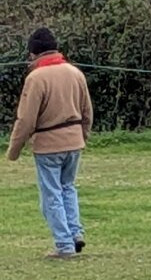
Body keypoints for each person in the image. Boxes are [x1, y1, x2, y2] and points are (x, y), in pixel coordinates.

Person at [6, 27, 92, 260]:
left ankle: (63, 244)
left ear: (33, 53)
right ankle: (75, 234)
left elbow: (26, 120)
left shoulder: (35, 78)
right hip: (74, 142)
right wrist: (83, 136)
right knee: (68, 188)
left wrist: (14, 150)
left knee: (51, 194)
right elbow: (87, 111)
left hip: (48, 145)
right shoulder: (75, 73)